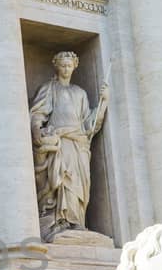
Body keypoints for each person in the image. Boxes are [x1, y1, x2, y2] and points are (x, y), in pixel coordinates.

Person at [29, 50, 109, 238]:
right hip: (61, 141)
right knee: (63, 180)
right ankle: (61, 221)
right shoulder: (49, 88)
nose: (66, 69)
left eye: (69, 66)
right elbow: (37, 114)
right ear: (56, 66)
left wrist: (104, 102)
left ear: (75, 67)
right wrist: (36, 130)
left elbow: (89, 123)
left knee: (80, 185)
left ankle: (77, 221)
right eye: (63, 65)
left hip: (79, 144)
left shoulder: (79, 93)